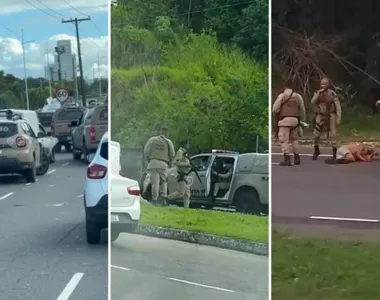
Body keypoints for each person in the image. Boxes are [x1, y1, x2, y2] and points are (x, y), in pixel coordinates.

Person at [273, 86, 306, 166]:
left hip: (284, 120)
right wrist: (302, 120)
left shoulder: (282, 96)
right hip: (295, 121)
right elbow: (302, 109)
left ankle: (287, 158)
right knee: (294, 139)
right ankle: (297, 157)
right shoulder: (298, 96)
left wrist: (276, 115)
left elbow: (275, 109)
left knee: (284, 140)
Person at [311, 77, 342, 160]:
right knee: (315, 134)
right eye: (322, 84)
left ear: (328, 85)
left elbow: (338, 106)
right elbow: (312, 102)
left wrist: (338, 118)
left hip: (331, 115)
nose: (323, 86)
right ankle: (316, 150)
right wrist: (318, 94)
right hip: (320, 115)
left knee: (333, 134)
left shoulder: (332, 94)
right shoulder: (317, 93)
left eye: (325, 84)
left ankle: (334, 152)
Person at [143, 126, 175, 206]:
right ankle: (163, 199)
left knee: (155, 183)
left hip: (153, 163)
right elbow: (172, 154)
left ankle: (154, 199)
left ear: (160, 132)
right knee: (164, 182)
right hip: (164, 164)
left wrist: (148, 159)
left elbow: (146, 151)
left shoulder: (152, 140)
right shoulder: (168, 142)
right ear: (166, 133)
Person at [167, 140, 191, 208]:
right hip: (181, 174)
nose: (188, 146)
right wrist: (186, 164)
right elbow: (176, 162)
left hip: (185, 174)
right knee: (180, 193)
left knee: (187, 194)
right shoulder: (180, 152)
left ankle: (186, 208)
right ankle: (166, 198)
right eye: (188, 144)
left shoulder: (184, 153)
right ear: (185, 145)